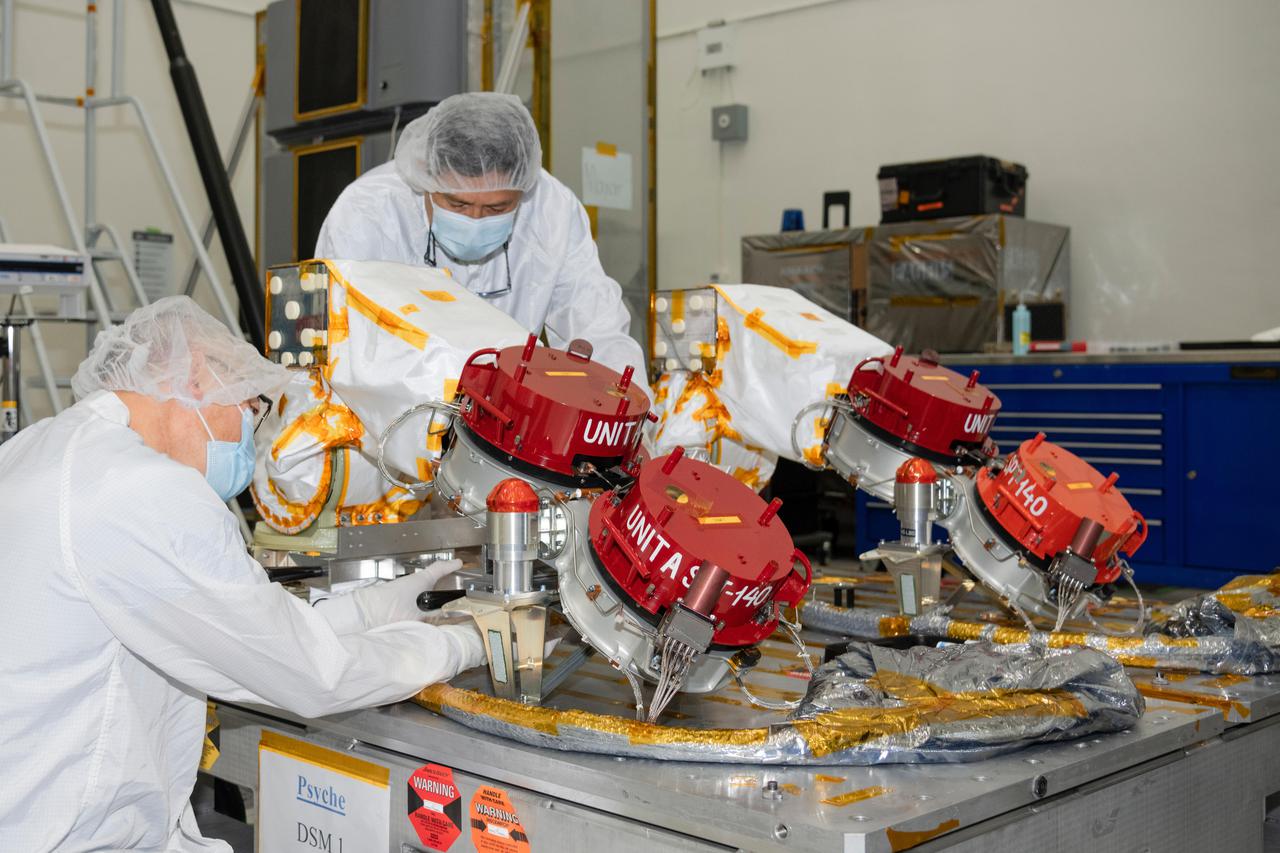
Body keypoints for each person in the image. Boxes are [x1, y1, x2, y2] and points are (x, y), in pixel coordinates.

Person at [0, 296, 485, 853]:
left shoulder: (37, 449)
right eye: (252, 408)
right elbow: (309, 673)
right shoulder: (143, 489)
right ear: (195, 379)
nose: (251, 436)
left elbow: (235, 625)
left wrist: (374, 609)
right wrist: (461, 644)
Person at [315, 92, 649, 396]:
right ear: (426, 177)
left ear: (523, 190)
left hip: (506, 414)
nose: (475, 220)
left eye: (497, 209)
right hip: (386, 415)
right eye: (457, 204)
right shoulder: (368, 213)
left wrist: (624, 406)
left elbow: (597, 324)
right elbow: (344, 344)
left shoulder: (551, 211)